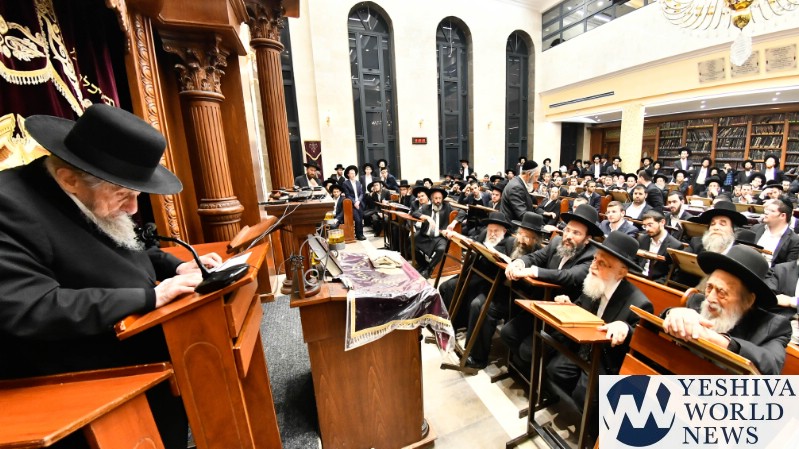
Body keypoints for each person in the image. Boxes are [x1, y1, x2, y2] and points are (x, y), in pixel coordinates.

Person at [0, 104, 223, 449]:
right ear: (69, 179)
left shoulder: (89, 191)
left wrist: (176, 266)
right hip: (76, 380)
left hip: (139, 352)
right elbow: (31, 307)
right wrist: (150, 297)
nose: (133, 209)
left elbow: (127, 246)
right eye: (124, 195)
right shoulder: (9, 207)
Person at [546, 232, 652, 435]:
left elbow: (642, 341)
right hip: (583, 349)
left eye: (602, 264)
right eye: (595, 259)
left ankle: (593, 431)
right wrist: (569, 305)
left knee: (584, 394)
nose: (593, 266)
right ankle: (579, 412)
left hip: (606, 361)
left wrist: (625, 329)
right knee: (554, 369)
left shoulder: (639, 303)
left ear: (621, 273)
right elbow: (581, 306)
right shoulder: (594, 283)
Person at [662, 246, 792, 375]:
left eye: (721, 292)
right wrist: (673, 313)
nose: (710, 298)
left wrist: (716, 340)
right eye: (709, 287)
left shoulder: (773, 327)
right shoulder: (697, 301)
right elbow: (662, 320)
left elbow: (771, 365)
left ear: (748, 301)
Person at [439, 212, 516, 369]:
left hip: (492, 283)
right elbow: (472, 241)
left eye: (496, 231)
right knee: (446, 286)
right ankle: (450, 327)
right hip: (475, 275)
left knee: (476, 303)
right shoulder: (483, 235)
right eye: (490, 230)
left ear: (504, 231)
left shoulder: (509, 243)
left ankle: (475, 355)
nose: (492, 234)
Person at [413, 187, 452, 278]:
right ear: (431, 199)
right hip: (425, 235)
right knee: (411, 241)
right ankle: (423, 264)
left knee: (441, 249)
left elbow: (462, 212)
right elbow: (414, 213)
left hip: (439, 236)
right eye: (436, 198)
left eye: (440, 198)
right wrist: (427, 217)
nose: (438, 201)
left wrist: (453, 223)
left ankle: (429, 269)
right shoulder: (425, 207)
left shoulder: (447, 207)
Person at [636, 210, 682, 283]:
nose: (647, 229)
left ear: (662, 222)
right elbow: (635, 261)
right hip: (637, 276)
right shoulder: (642, 239)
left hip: (656, 282)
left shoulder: (675, 245)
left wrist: (654, 284)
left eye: (650, 225)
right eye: (645, 226)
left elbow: (671, 273)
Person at [751, 198, 799, 266]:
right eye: (767, 209)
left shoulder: (794, 240)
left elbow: (788, 268)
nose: (766, 212)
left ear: (782, 216)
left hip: (772, 271)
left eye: (772, 211)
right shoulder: (756, 228)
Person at [500, 159, 537, 225]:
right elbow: (522, 214)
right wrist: (542, 225)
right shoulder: (516, 187)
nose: (536, 180)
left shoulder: (518, 182)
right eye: (536, 176)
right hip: (512, 227)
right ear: (529, 174)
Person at [341, 165, 367, 240]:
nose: (353, 174)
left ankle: (361, 234)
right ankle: (358, 235)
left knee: (361, 219)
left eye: (354, 173)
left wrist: (358, 201)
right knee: (357, 219)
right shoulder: (345, 183)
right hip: (351, 204)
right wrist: (354, 202)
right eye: (351, 173)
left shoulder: (358, 182)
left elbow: (361, 193)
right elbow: (347, 195)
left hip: (359, 203)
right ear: (348, 174)